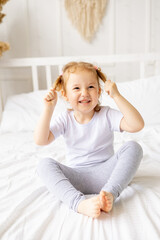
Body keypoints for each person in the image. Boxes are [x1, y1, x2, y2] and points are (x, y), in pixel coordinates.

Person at [34, 61, 144, 219]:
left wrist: (117, 96)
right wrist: (48, 109)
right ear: (65, 94)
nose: (84, 93)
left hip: (107, 173)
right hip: (76, 178)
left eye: (91, 87)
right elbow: (40, 140)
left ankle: (109, 195)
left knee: (134, 147)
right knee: (44, 164)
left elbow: (137, 125)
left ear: (99, 92)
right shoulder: (65, 119)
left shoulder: (106, 114)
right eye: (77, 88)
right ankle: (78, 203)